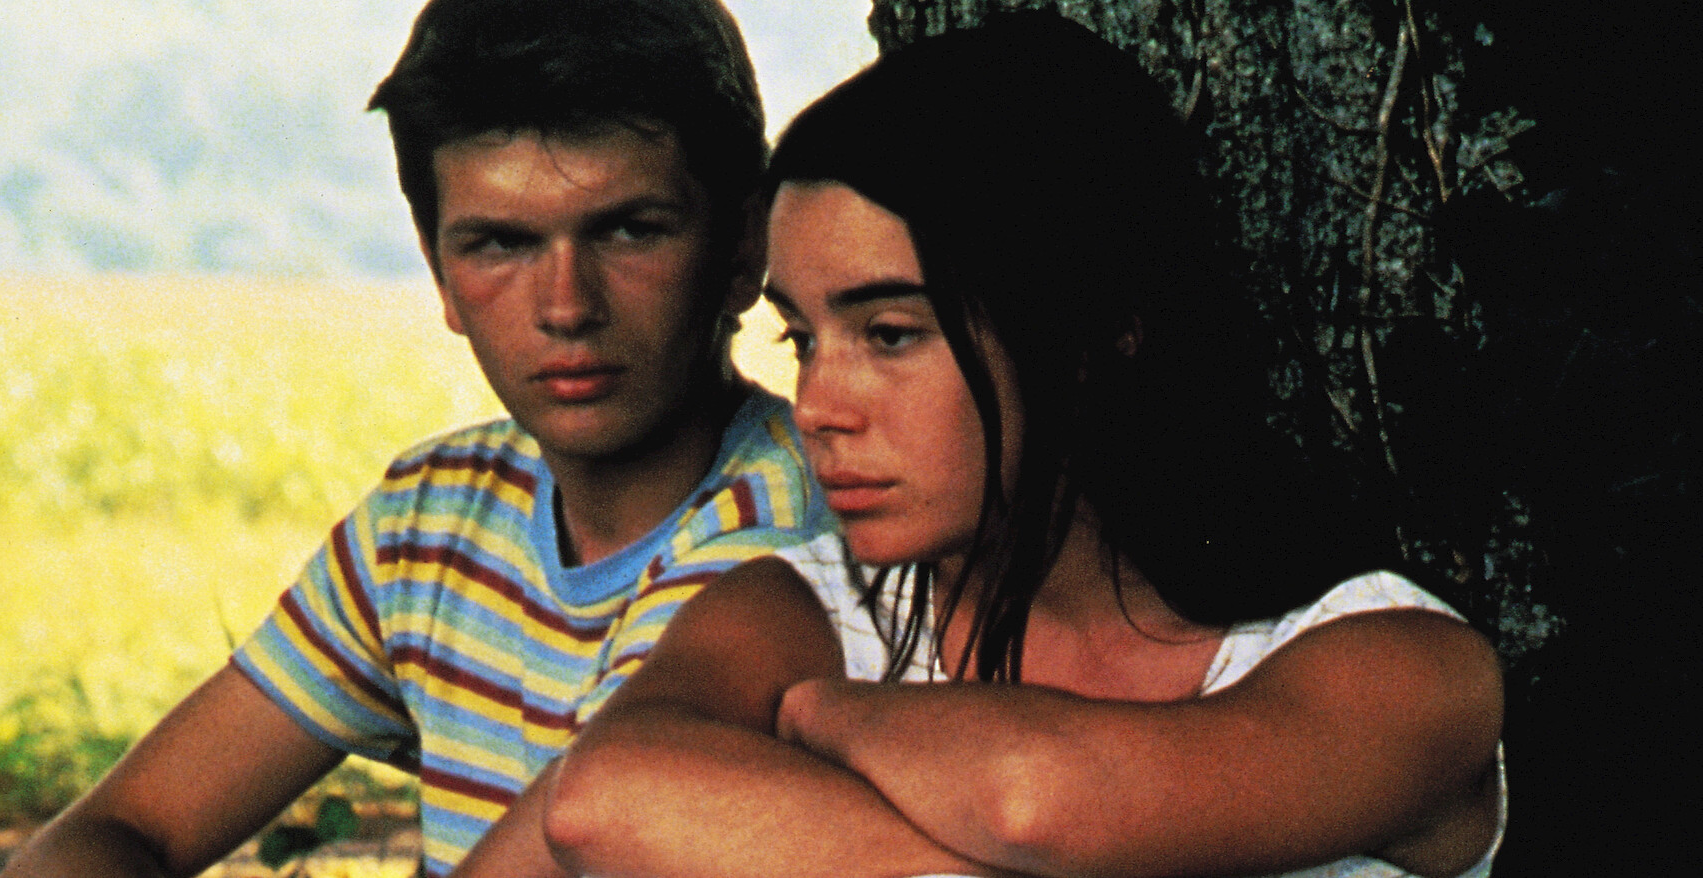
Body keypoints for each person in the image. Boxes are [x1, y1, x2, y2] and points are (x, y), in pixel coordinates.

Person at [533, 13, 1507, 878]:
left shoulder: (1400, 669)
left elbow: (1035, 801)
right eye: (802, 339)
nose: (819, 406)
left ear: (1086, 332)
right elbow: (599, 801)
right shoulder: (808, 613)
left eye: (890, 335)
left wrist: (823, 717)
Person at [0, 1, 830, 876]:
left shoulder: (791, 539)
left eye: (629, 230)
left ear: (745, 248)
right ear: (438, 272)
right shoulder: (434, 516)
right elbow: (121, 829)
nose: (566, 306)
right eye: (499, 244)